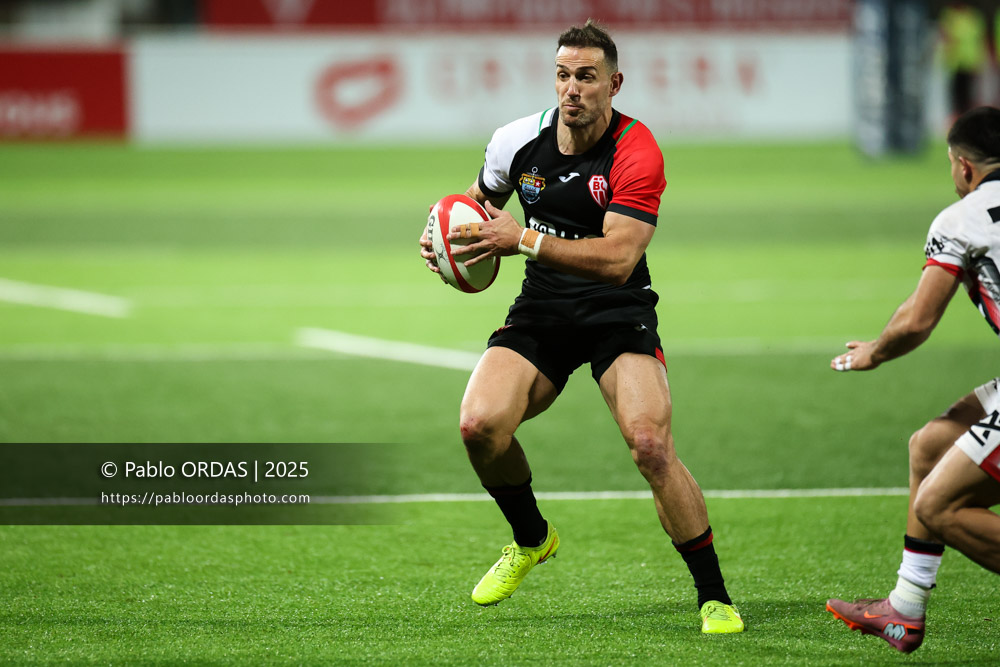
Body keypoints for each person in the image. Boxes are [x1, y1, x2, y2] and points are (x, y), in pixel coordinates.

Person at [418, 19, 743, 634]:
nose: (573, 89)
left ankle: (714, 596)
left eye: (587, 77)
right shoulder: (516, 141)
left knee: (650, 445)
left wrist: (524, 239)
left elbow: (620, 257)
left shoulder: (636, 150)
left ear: (614, 83)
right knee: (478, 427)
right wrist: (447, 238)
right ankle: (532, 538)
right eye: (564, 75)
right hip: (543, 310)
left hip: (615, 312)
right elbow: (474, 211)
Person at [826, 105, 1000, 653]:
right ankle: (904, 609)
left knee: (938, 507)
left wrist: (875, 352)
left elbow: (918, 320)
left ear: (963, 167)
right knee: (929, 445)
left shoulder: (964, 217)